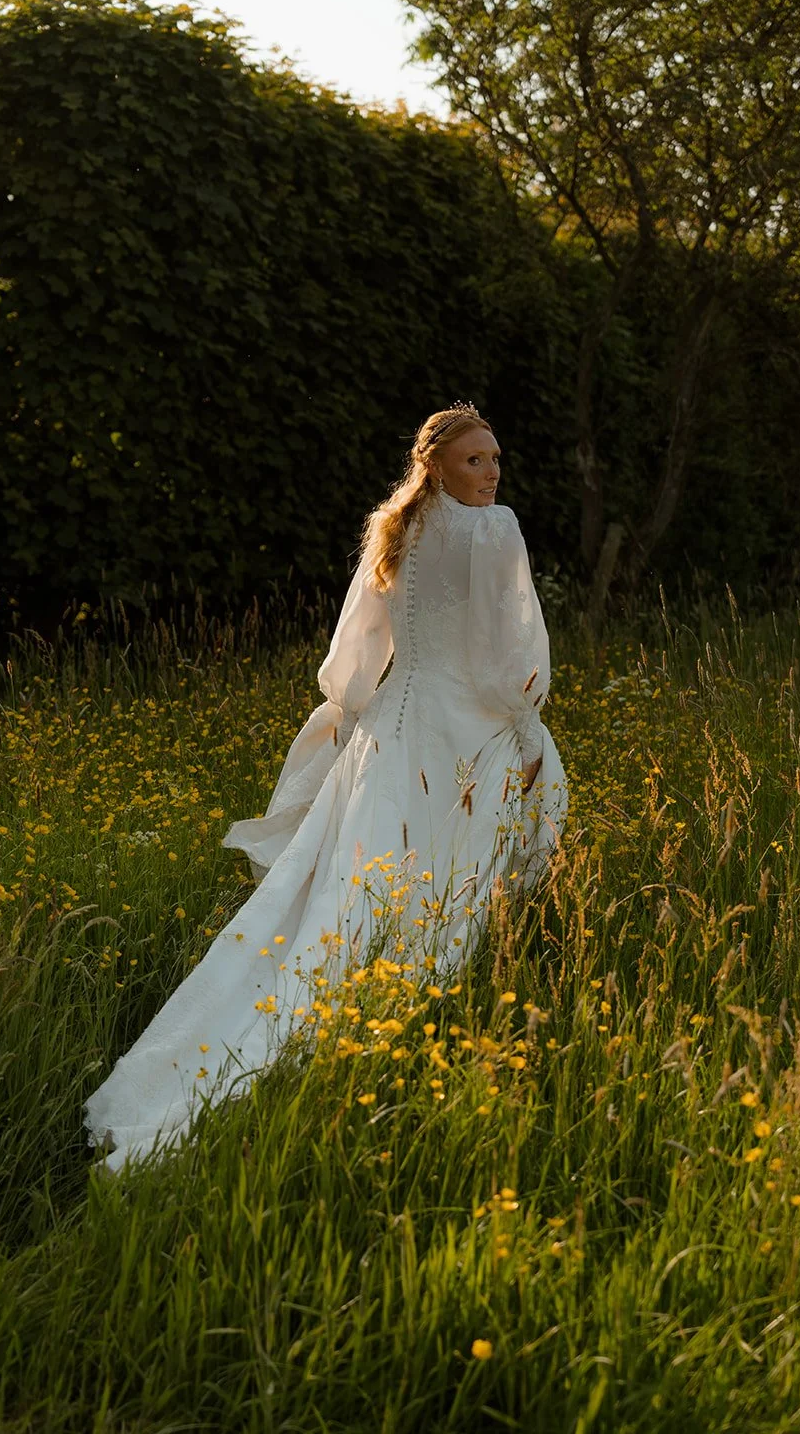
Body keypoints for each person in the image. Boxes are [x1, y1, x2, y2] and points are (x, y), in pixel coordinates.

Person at [85, 404, 568, 1170]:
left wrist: (348, 711)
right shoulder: (494, 529)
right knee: (440, 884)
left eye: (495, 459)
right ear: (434, 465)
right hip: (462, 730)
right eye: (474, 460)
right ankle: (390, 1018)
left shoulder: (393, 527)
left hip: (388, 731)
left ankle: (317, 1017)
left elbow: (357, 648)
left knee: (349, 890)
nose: (491, 473)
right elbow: (507, 649)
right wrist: (523, 721)